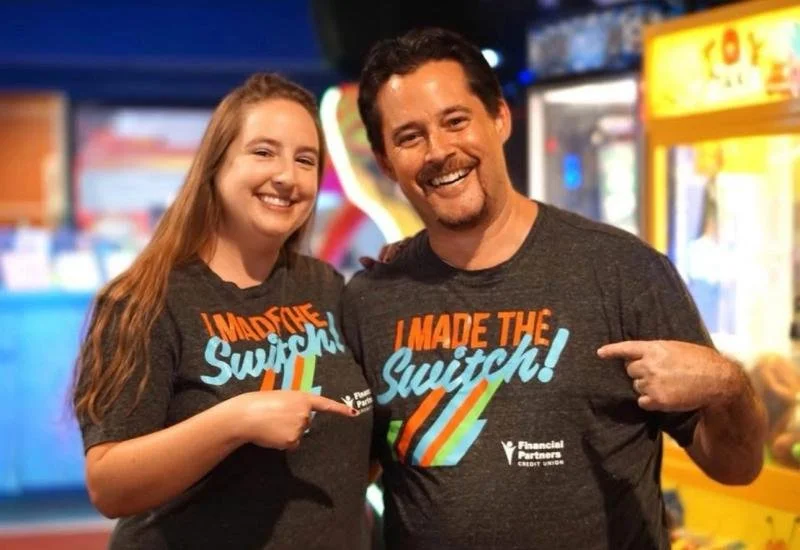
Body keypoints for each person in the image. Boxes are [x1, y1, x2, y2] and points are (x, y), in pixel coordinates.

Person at [343, 28, 768, 549]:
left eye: (456, 121)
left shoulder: (622, 270)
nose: (439, 151)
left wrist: (729, 384)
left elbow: (737, 467)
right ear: (386, 161)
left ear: (500, 118)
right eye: (410, 137)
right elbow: (344, 476)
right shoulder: (370, 300)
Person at [72, 73, 376, 550]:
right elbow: (109, 486)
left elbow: (357, 451)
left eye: (305, 160)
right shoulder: (144, 300)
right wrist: (235, 420)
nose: (286, 176)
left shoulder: (325, 287)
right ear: (215, 166)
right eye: (263, 152)